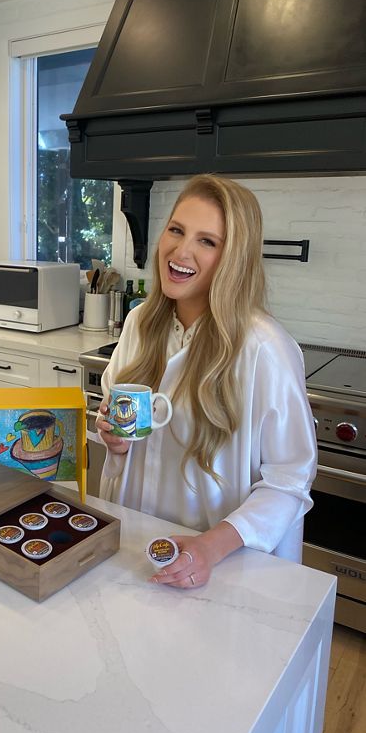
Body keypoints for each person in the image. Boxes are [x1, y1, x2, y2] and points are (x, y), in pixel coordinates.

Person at [96, 174, 317, 589]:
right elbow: (116, 420)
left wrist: (211, 547)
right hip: (136, 546)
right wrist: (115, 440)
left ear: (234, 258)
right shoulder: (140, 323)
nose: (181, 251)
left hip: (224, 566)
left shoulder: (265, 349)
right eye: (176, 230)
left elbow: (289, 481)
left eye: (207, 241)